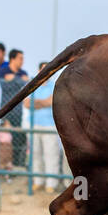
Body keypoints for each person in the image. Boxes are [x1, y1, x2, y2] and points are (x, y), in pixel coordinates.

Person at [28, 61, 65, 192]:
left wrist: (36, 103)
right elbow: (27, 103)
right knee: (35, 154)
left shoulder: (54, 85)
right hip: (34, 125)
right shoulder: (32, 85)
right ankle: (38, 181)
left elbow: (51, 101)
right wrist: (43, 103)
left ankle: (51, 183)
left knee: (51, 154)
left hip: (50, 125)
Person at [0, 49, 30, 169]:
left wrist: (14, 79)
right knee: (5, 142)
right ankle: (4, 167)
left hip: (19, 113)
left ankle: (17, 165)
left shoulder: (23, 72)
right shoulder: (3, 71)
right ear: (12, 59)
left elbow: (27, 84)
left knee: (19, 140)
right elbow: (0, 88)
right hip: (5, 112)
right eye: (20, 58)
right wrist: (19, 80)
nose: (22, 61)